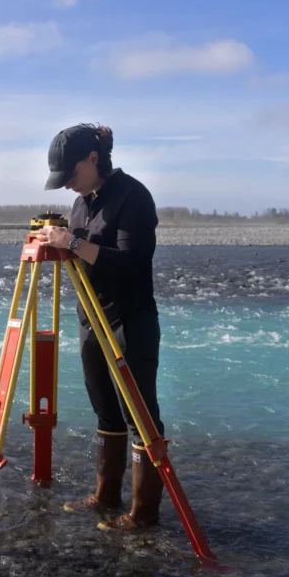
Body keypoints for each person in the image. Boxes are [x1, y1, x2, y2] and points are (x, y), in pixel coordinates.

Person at [35, 123, 165, 531]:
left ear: (93, 159)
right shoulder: (81, 202)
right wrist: (58, 238)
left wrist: (72, 243)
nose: (69, 185)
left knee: (139, 415)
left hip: (130, 318)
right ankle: (106, 496)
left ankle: (143, 514)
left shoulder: (133, 196)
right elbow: (83, 253)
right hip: (92, 315)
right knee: (105, 408)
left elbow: (131, 262)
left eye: (71, 175)